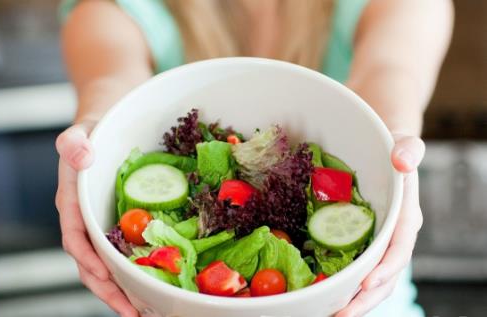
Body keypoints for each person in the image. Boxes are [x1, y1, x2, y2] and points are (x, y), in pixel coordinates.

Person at [55, 1, 453, 316]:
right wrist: (94, 132)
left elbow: (387, 72)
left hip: (363, 308)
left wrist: (390, 141)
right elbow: (112, 80)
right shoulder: (118, 7)